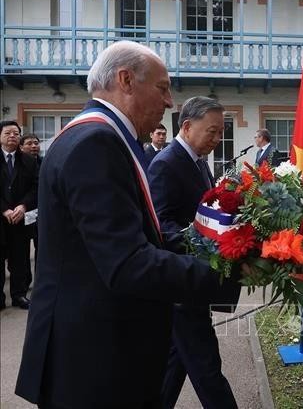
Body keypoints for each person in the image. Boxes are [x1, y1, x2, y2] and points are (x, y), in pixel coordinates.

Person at [15, 41, 241, 408]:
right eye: (163, 88)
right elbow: (127, 262)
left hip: (94, 350)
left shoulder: (99, 137)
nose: (169, 102)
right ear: (126, 80)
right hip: (93, 363)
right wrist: (227, 272)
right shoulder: (96, 143)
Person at [148, 96, 240, 409]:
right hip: (181, 282)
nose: (217, 139)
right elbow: (162, 226)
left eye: (220, 133)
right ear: (186, 126)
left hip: (191, 285)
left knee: (177, 361)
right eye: (212, 132)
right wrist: (210, 247)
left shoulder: (197, 161)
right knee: (207, 369)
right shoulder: (166, 163)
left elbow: (206, 211)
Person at [1, 121, 38, 311]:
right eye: (8, 133)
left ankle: (19, 295)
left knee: (20, 259)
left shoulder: (29, 161)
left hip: (20, 217)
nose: (12, 136)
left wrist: (23, 206)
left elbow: (35, 187)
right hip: (2, 216)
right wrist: (4, 209)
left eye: (16, 133)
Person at [19, 133, 42, 288]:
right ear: (21, 147)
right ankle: (24, 282)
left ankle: (40, 281)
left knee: (41, 248)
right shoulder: (18, 165)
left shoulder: (45, 162)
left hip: (42, 213)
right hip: (23, 211)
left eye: (36, 143)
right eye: (29, 143)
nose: (34, 146)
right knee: (22, 251)